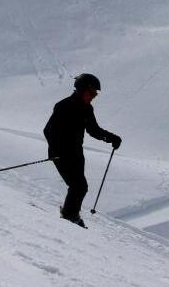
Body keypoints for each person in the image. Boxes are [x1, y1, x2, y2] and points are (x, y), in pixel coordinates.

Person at [43, 73, 122, 228]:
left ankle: (70, 214)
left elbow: (93, 130)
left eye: (95, 94)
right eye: (92, 93)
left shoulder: (87, 108)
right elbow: (48, 131)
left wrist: (111, 138)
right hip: (61, 155)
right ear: (82, 90)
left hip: (77, 154)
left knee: (79, 186)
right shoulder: (63, 106)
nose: (94, 97)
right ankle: (69, 216)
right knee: (79, 186)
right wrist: (57, 151)